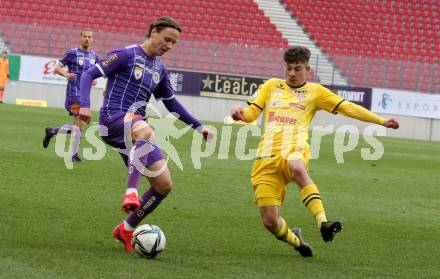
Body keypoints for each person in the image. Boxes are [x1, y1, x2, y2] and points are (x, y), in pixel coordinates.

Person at [231, 46, 399, 257]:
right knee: (270, 222)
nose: (292, 73)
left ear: (307, 69)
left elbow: (347, 107)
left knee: (297, 166)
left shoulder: (316, 92)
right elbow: (251, 114)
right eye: (289, 68)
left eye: (297, 69)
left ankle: (323, 223)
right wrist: (240, 114)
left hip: (294, 148)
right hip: (265, 158)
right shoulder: (271, 86)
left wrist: (381, 121)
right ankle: (297, 241)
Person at [78, 17, 213, 253]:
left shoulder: (159, 68)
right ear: (153, 32)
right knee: (146, 129)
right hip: (113, 119)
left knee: (164, 186)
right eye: (167, 39)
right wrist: (84, 105)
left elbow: (171, 104)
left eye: (173, 43)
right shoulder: (125, 54)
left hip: (136, 129)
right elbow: (88, 75)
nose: (169, 46)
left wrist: (199, 127)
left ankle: (126, 229)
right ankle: (131, 192)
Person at [43, 29, 99, 163]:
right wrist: (67, 75)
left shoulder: (94, 56)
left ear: (92, 39)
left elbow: (95, 74)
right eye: (84, 36)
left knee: (79, 126)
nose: (87, 39)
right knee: (79, 123)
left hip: (85, 96)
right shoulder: (72, 53)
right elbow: (57, 68)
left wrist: (94, 79)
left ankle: (52, 131)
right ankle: (73, 155)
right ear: (80, 38)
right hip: (73, 94)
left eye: (89, 37)